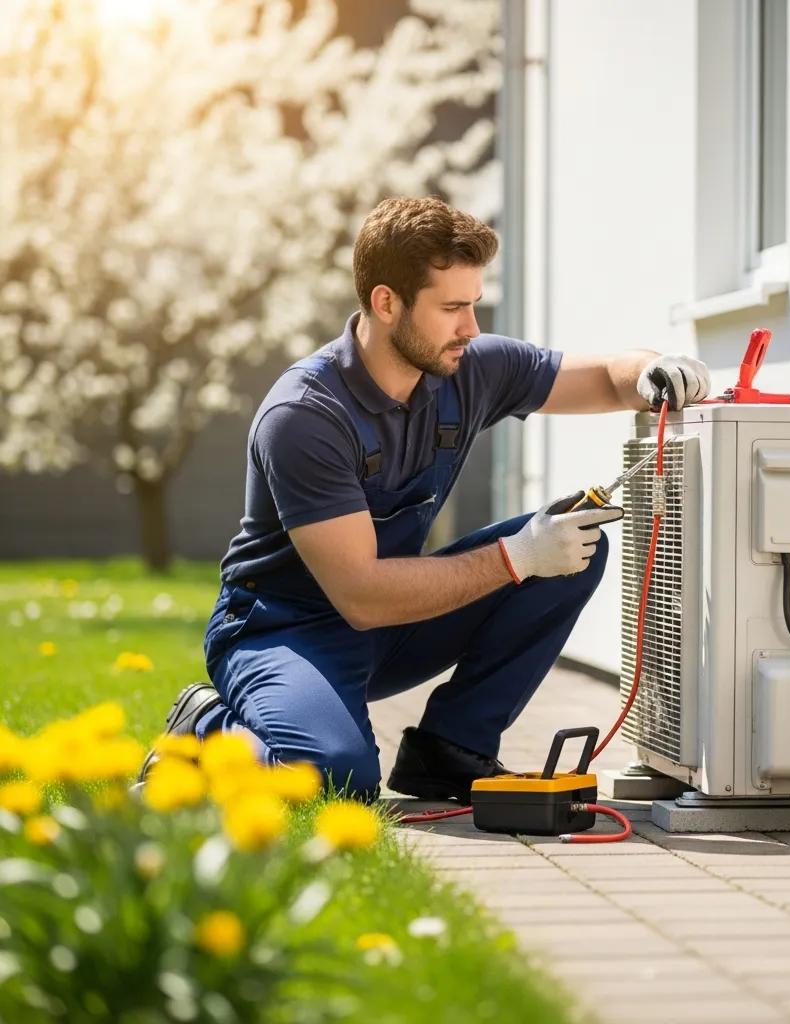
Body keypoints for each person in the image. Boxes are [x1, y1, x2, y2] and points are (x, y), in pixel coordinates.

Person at [138, 196, 710, 804]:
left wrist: (653, 372)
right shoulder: (305, 416)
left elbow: (602, 376)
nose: (472, 327)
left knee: (574, 544)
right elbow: (358, 595)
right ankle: (204, 726)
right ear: (387, 303)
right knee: (338, 778)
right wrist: (516, 557)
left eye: (474, 304)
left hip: (394, 623)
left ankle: (450, 752)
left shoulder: (466, 368)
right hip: (284, 632)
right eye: (453, 308)